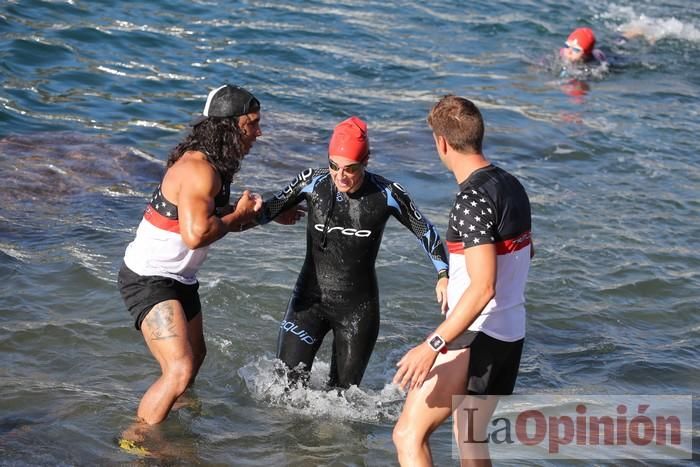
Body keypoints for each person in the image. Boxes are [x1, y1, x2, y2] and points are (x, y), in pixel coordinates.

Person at [255, 116, 450, 389]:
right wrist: (236, 210)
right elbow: (266, 211)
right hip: (308, 302)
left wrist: (443, 273)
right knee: (282, 389)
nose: (340, 176)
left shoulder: (387, 193)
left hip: (357, 311)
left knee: (343, 402)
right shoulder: (312, 181)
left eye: (350, 169)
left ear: (366, 161)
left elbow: (425, 231)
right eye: (334, 166)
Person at [392, 95, 533, 466]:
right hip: (510, 333)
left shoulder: (471, 198)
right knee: (469, 441)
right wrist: (453, 279)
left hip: (477, 335)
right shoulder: (511, 184)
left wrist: (432, 345)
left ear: (441, 142)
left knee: (408, 434)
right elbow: (522, 253)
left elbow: (484, 286)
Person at [117, 84, 265, 425]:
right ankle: (136, 444)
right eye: (253, 123)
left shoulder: (213, 166)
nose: (259, 132)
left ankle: (175, 426)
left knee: (196, 356)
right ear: (231, 124)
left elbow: (218, 220)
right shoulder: (199, 170)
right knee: (179, 369)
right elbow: (197, 235)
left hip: (178, 278)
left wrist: (261, 215)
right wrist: (240, 216)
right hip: (148, 278)